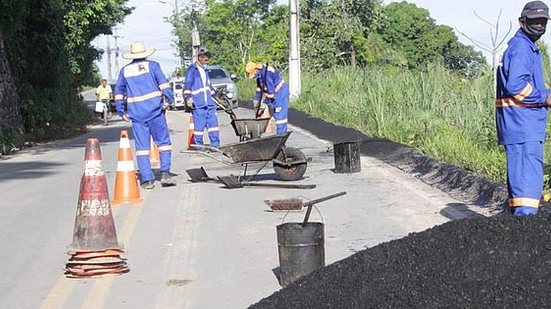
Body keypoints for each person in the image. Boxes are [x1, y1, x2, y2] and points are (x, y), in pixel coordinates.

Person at [496, 0, 551, 216]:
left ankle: (516, 239)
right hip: (522, 126)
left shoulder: (526, 47)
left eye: (543, 21)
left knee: (521, 191)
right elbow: (516, 86)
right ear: (522, 22)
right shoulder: (521, 48)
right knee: (527, 193)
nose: (539, 25)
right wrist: (545, 97)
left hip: (521, 127)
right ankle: (524, 238)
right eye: (534, 21)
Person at [114, 41, 176, 189]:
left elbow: (118, 92)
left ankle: (147, 180)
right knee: (163, 144)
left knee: (142, 148)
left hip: (137, 115)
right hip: (155, 112)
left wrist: (121, 111)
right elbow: (164, 85)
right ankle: (165, 173)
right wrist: (169, 99)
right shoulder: (153, 66)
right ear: (145, 53)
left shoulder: (125, 71)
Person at [183, 47, 220, 149]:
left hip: (209, 103)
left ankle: (215, 144)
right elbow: (187, 85)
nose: (207, 58)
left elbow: (208, 86)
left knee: (213, 125)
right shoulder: (192, 70)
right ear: (199, 57)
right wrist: (188, 98)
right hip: (198, 103)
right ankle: (198, 146)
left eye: (208, 56)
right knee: (199, 126)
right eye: (205, 57)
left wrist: (216, 95)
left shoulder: (205, 70)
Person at [245, 62, 290, 135]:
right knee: (275, 115)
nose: (252, 77)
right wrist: (256, 100)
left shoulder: (267, 75)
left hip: (280, 94)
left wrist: (264, 103)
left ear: (256, 70)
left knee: (280, 118)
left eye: (252, 74)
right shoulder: (260, 75)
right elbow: (259, 89)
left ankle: (281, 136)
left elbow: (271, 93)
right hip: (274, 95)